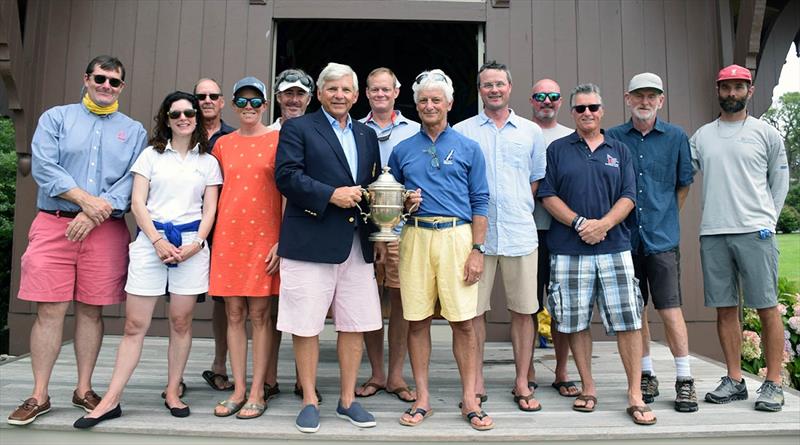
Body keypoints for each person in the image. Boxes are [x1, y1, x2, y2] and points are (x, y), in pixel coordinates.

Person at [7, 55, 147, 426]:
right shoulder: (56, 118)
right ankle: (39, 394)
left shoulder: (133, 131)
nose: (106, 86)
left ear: (122, 87)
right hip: (55, 224)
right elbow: (44, 165)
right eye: (100, 78)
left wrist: (93, 213)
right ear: (86, 78)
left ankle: (84, 389)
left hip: (105, 230)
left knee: (91, 309)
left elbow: (133, 181)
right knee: (50, 310)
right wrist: (85, 201)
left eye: (114, 82)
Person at [73, 91, 222, 428]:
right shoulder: (150, 156)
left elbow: (210, 208)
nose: (183, 118)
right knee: (133, 326)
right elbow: (138, 203)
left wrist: (197, 243)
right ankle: (110, 400)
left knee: (181, 322)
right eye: (175, 114)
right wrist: (155, 241)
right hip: (150, 243)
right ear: (166, 120)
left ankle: (172, 390)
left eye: (189, 113)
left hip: (190, 247)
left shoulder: (208, 162)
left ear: (198, 118)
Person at [538, 83, 657, 425]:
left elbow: (629, 196)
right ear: (572, 113)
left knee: (629, 321)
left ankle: (634, 393)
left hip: (614, 247)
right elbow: (547, 195)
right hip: (569, 249)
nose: (587, 113)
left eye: (592, 107)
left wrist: (603, 224)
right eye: (580, 109)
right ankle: (588, 387)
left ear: (602, 111)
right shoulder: (558, 150)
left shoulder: (619, 150)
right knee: (575, 322)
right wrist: (579, 223)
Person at [275, 62, 383, 433]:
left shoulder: (368, 135)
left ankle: (348, 400)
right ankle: (309, 400)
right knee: (305, 325)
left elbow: (372, 185)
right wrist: (329, 195)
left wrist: (395, 206)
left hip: (356, 243)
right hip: (310, 239)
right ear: (319, 94)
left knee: (354, 324)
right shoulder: (298, 127)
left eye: (346, 90)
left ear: (356, 96)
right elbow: (286, 176)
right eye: (332, 89)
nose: (340, 95)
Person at [388, 69, 493, 431]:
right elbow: (391, 202)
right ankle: (422, 398)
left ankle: (469, 399)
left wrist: (478, 249)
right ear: (415, 106)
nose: (429, 105)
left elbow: (480, 200)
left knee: (463, 322)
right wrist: (405, 203)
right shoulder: (402, 150)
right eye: (423, 101)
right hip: (416, 236)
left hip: (456, 236)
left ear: (449, 104)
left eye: (436, 100)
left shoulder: (468, 147)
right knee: (416, 320)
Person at [691, 65, 789, 412]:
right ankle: (734, 379)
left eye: (738, 87)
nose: (732, 93)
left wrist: (769, 220)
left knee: (766, 307)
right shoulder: (702, 136)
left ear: (751, 90)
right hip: (713, 232)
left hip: (755, 232)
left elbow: (780, 179)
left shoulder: (766, 133)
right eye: (726, 88)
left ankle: (774, 383)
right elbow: (682, 175)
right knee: (725, 308)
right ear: (717, 91)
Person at [453, 61, 546, 412]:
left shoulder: (531, 132)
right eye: (487, 85)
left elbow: (535, 180)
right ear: (479, 90)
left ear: (510, 87)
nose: (494, 90)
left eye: (499, 84)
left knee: (524, 310)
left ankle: (522, 380)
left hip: (521, 233)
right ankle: (475, 380)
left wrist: (516, 203)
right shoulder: (463, 131)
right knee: (474, 313)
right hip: (476, 238)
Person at [606, 73, 697, 412]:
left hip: (661, 239)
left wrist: (667, 217)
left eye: (652, 96)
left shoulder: (675, 137)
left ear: (661, 100)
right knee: (636, 311)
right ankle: (646, 374)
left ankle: (685, 379)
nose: (645, 102)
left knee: (670, 309)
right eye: (639, 96)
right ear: (628, 99)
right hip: (625, 239)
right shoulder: (613, 138)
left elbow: (683, 184)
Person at [209, 77, 282, 420]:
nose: (249, 108)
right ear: (234, 105)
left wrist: (283, 241)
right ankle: (238, 389)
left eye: (256, 102)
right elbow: (214, 192)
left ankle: (258, 390)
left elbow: (286, 194)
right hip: (229, 237)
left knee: (260, 315)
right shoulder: (222, 144)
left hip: (266, 237)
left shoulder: (280, 140)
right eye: (243, 101)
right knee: (234, 313)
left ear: (266, 105)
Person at [355, 67, 420, 403]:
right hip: (364, 227)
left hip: (403, 229)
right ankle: (377, 373)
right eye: (374, 90)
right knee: (367, 300)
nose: (380, 95)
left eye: (386, 90)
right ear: (366, 93)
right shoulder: (353, 129)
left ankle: (396, 375)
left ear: (397, 92)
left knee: (400, 302)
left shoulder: (416, 130)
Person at [264, 68, 315, 402]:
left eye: (300, 94)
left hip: (299, 230)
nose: (293, 99)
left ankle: (302, 380)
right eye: (288, 93)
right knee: (267, 310)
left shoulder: (316, 134)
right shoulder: (264, 135)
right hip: (263, 228)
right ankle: (268, 379)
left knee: (301, 307)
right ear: (278, 97)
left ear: (309, 98)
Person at [528, 78, 579, 397]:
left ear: (561, 102)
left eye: (553, 96)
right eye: (540, 96)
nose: (547, 101)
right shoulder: (521, 133)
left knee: (561, 305)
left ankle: (561, 371)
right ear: (532, 100)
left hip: (563, 233)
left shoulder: (571, 138)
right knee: (528, 305)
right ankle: (528, 369)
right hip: (528, 232)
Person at [193, 77, 236, 392]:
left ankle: (220, 364)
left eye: (213, 96)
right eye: (201, 96)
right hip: (184, 225)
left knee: (223, 298)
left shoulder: (235, 137)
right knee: (181, 300)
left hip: (224, 226)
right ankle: (173, 375)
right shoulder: (180, 132)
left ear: (222, 102)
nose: (207, 100)